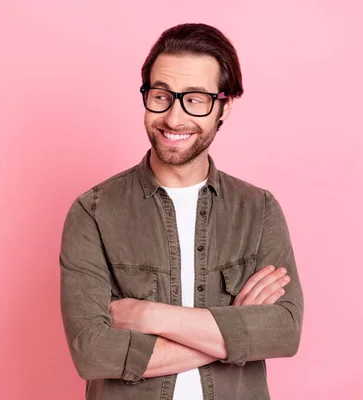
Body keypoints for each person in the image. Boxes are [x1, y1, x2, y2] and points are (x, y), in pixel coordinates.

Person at [59, 23, 303, 400]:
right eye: (161, 96)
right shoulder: (93, 211)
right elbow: (91, 352)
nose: (174, 119)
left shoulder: (259, 209)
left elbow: (284, 331)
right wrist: (237, 332)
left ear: (225, 105)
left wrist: (148, 316)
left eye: (195, 99)